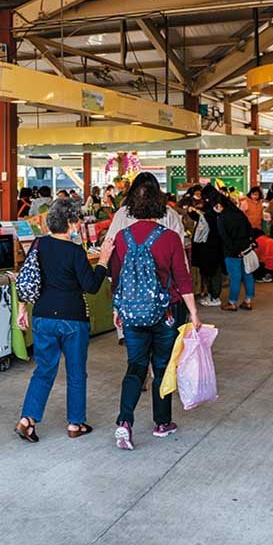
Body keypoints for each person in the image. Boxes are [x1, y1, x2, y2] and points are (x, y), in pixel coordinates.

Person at [106, 175, 201, 451]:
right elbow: (183, 278)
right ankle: (162, 423)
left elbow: (116, 275)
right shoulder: (170, 238)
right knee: (161, 367)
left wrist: (118, 308)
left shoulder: (122, 238)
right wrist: (193, 312)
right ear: (160, 205)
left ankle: (124, 422)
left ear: (132, 206)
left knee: (135, 367)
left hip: (132, 314)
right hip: (166, 313)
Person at [14, 198, 113, 443]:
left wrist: (22, 309)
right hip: (72, 318)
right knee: (76, 372)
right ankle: (75, 424)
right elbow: (90, 286)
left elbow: (26, 278)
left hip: (43, 316)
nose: (79, 224)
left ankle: (28, 419)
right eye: (77, 220)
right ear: (70, 223)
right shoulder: (75, 251)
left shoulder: (38, 244)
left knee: (44, 370)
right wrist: (103, 260)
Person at [215, 194, 255, 311]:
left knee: (235, 277)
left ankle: (232, 302)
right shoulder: (240, 214)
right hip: (246, 249)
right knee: (248, 275)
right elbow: (249, 230)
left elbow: (224, 236)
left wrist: (234, 249)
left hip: (231, 251)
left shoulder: (222, 217)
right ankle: (248, 301)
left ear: (220, 205)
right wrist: (246, 246)